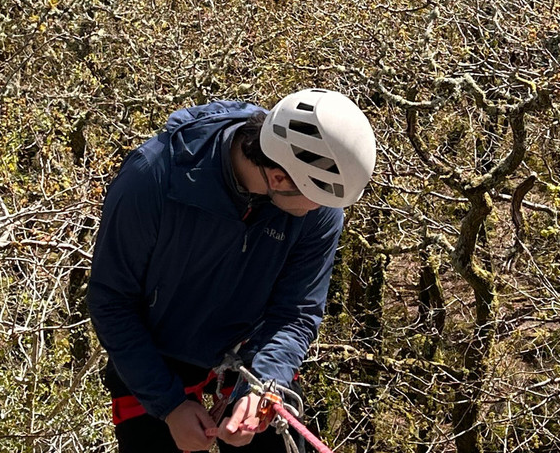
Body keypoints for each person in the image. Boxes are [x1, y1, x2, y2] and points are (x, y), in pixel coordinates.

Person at [88, 89, 376, 452]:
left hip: (254, 353)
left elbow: (296, 311)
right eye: (317, 200)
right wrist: (169, 404)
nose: (323, 209)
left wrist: (264, 385)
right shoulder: (154, 177)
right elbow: (112, 300)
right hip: (153, 353)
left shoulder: (318, 208)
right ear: (279, 179)